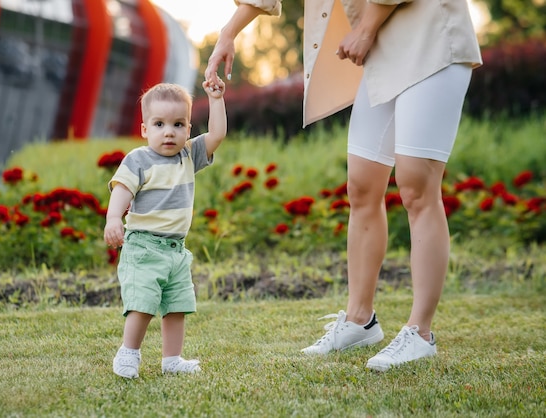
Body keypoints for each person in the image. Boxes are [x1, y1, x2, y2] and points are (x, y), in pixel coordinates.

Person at [205, 0, 482, 371]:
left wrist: (366, 28)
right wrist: (228, 32)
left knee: (417, 187)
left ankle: (420, 332)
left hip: (432, 38)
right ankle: (359, 320)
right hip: (382, 49)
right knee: (362, 187)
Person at [104, 81, 226, 378]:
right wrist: (112, 219)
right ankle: (129, 352)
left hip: (176, 251)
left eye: (178, 124)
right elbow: (121, 191)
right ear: (145, 129)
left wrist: (216, 99)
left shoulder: (188, 155)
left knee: (177, 306)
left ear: (188, 128)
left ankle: (172, 360)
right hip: (144, 247)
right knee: (143, 303)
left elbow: (218, 134)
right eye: (159, 124)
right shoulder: (138, 159)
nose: (169, 131)